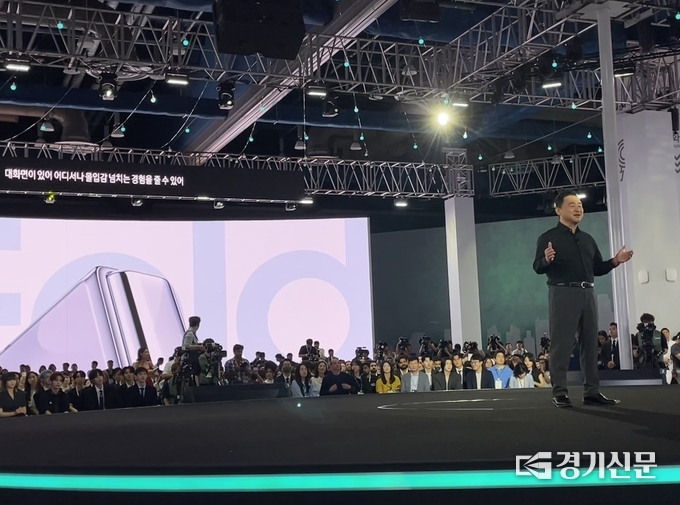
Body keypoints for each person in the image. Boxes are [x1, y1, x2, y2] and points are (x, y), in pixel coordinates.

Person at [533, 190, 633, 408]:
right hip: (562, 293)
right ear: (558, 210)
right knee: (561, 344)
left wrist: (615, 261)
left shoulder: (587, 239)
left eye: (580, 205)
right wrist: (547, 260)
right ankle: (560, 392)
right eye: (572, 205)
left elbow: (597, 268)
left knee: (589, 343)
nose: (578, 208)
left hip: (588, 293)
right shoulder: (549, 237)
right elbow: (537, 267)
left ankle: (592, 392)